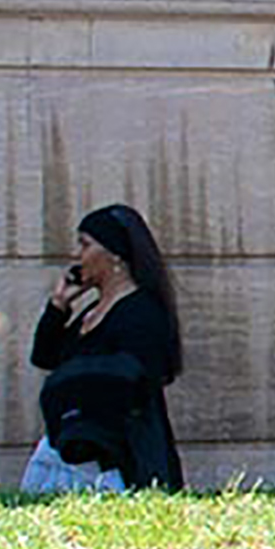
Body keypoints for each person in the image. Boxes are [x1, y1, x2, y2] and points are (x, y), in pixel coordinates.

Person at [28, 201, 183, 490]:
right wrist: (59, 305)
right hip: (76, 443)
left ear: (114, 254)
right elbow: (45, 356)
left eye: (85, 245)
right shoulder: (90, 313)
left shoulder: (141, 312)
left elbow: (137, 382)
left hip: (122, 453)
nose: (79, 255)